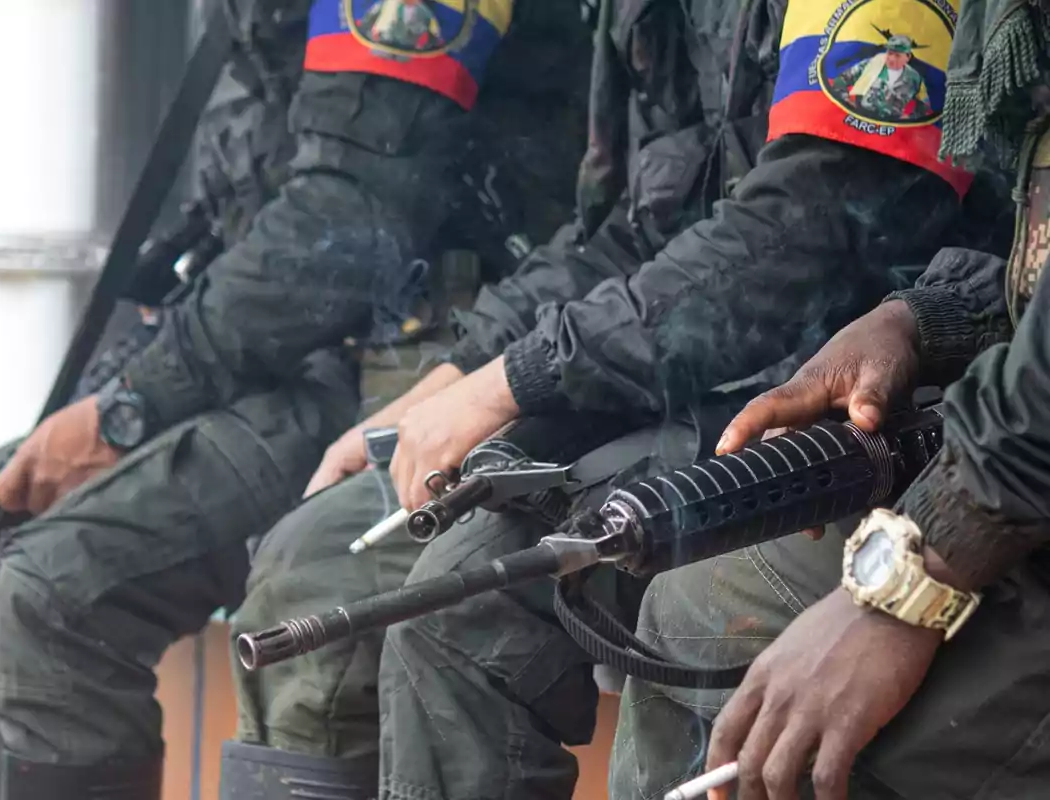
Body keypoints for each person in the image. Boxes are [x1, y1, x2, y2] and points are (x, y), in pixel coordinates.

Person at [228, 0, 1015, 798]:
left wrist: (515, 380)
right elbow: (625, 227)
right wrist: (462, 378)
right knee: (316, 553)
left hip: (856, 405)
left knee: (475, 605)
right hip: (666, 380)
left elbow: (803, 236)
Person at [0, 0, 593, 797]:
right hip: (310, 366)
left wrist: (127, 412)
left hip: (440, 365)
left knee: (273, 597)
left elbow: (348, 220)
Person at [610, 1, 1050, 797]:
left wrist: (910, 588)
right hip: (1010, 434)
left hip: (1012, 474)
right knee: (691, 606)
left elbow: (803, 229)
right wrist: (920, 317)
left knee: (831, 749)